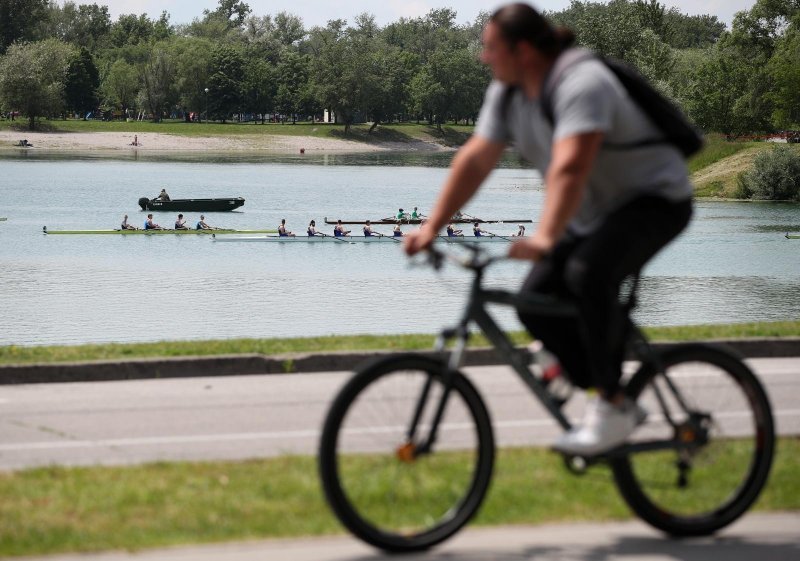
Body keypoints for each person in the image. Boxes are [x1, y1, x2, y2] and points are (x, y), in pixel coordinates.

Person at [403, 3, 693, 456]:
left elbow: (571, 166)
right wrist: (431, 227)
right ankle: (612, 395)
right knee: (533, 307)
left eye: (491, 49)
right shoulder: (508, 93)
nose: (484, 58)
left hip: (655, 200)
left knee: (587, 274)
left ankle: (611, 406)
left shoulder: (582, 82)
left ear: (522, 51)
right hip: (592, 214)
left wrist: (543, 236)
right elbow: (477, 158)